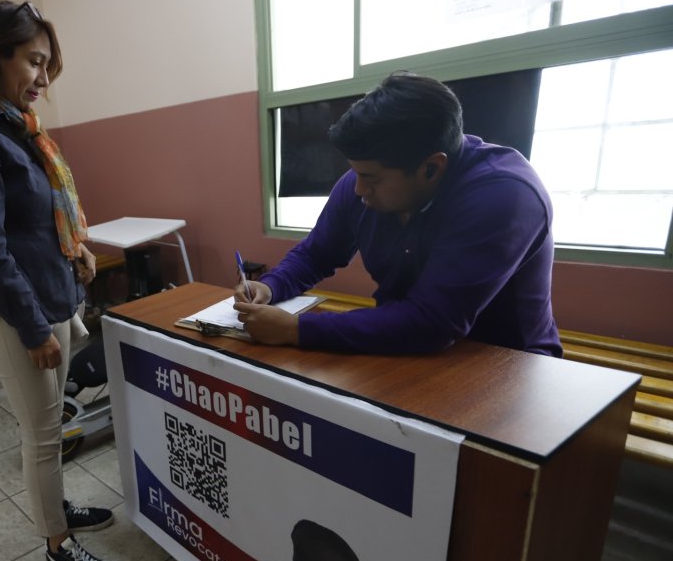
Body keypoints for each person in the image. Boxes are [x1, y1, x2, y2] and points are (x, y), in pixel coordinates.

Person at [0, 0, 119, 561]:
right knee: (42, 435)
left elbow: (38, 221)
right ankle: (56, 543)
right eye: (34, 63)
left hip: (51, 293)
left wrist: (78, 250)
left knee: (52, 424)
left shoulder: (21, 130)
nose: (43, 79)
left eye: (48, 66)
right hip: (17, 312)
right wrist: (34, 326)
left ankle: (57, 509)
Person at [235, 71, 561, 357]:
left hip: (507, 365)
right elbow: (316, 254)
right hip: (406, 346)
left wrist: (298, 330)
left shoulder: (504, 195)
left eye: (371, 178)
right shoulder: (364, 181)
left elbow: (433, 322)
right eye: (356, 173)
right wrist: (272, 285)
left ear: (431, 168)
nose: (358, 189)